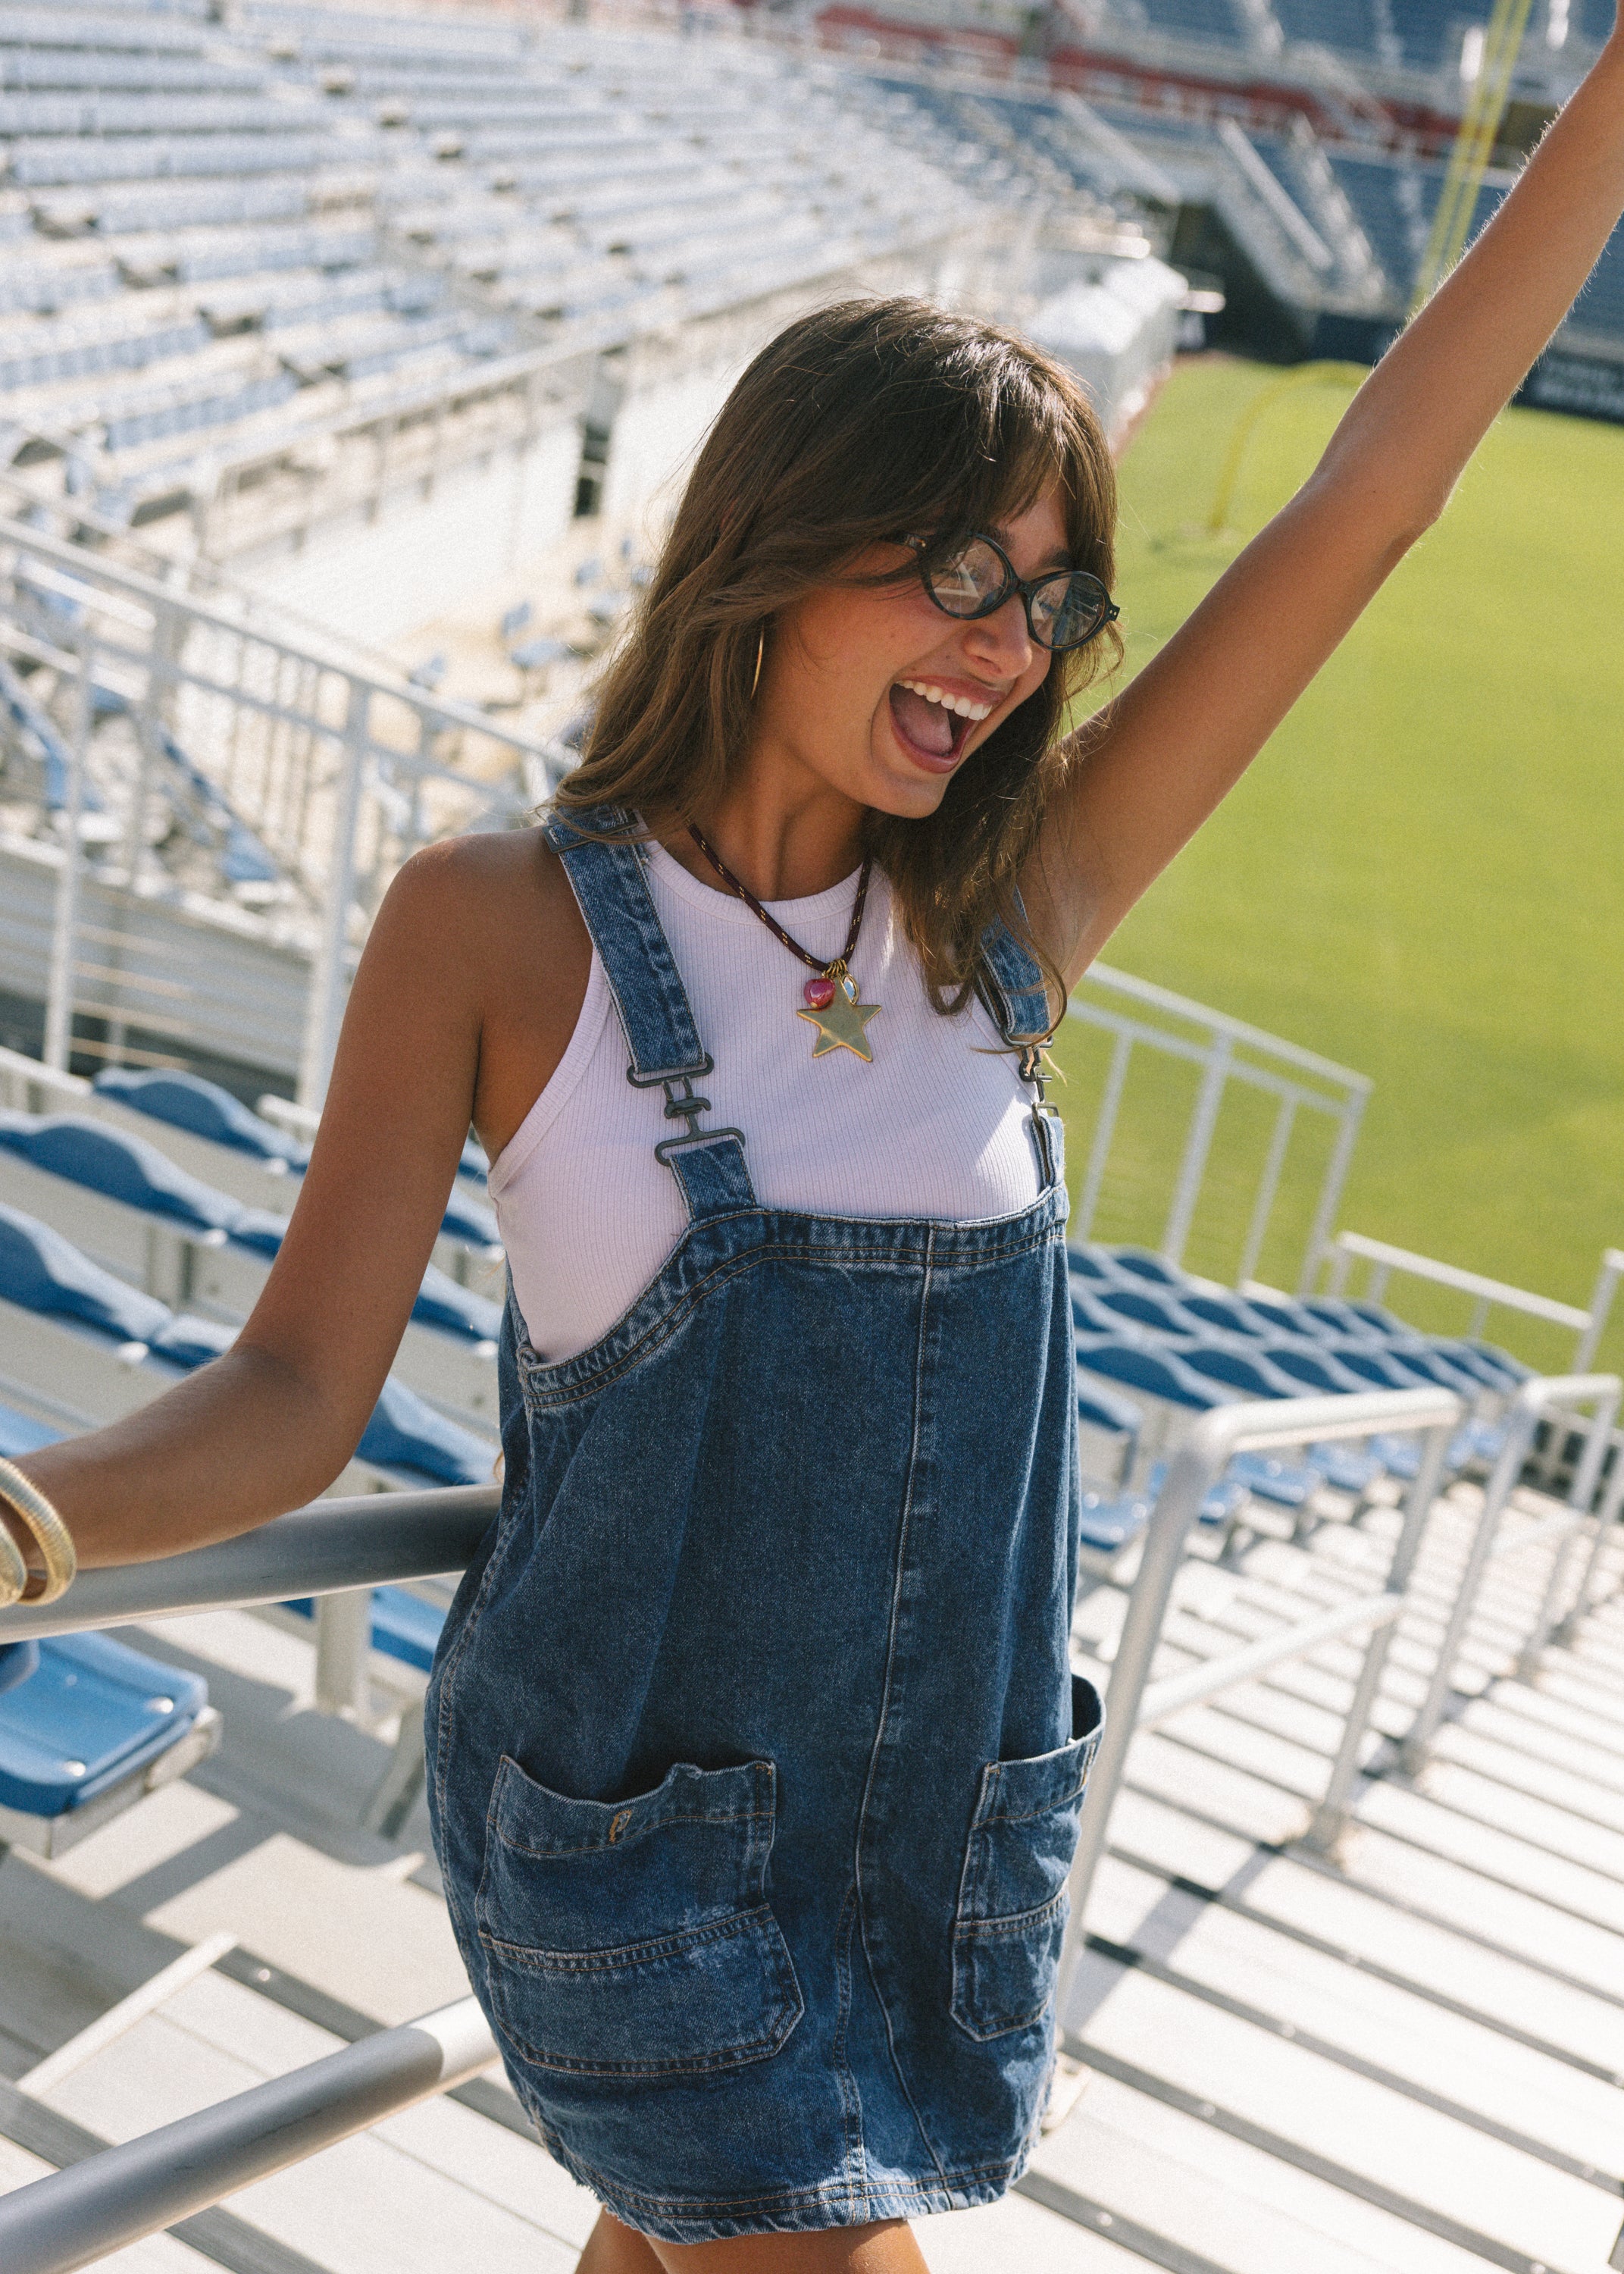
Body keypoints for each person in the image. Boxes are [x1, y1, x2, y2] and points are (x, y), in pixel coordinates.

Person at [4, 32, 1623, 2269]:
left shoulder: (1008, 913)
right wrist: (24, 1519)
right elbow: (296, 1389)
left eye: (1049, 598)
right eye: (959, 568)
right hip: (632, 1880)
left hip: (934, 1862)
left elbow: (1374, 494)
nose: (1007, 647)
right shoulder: (498, 924)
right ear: (776, 543)